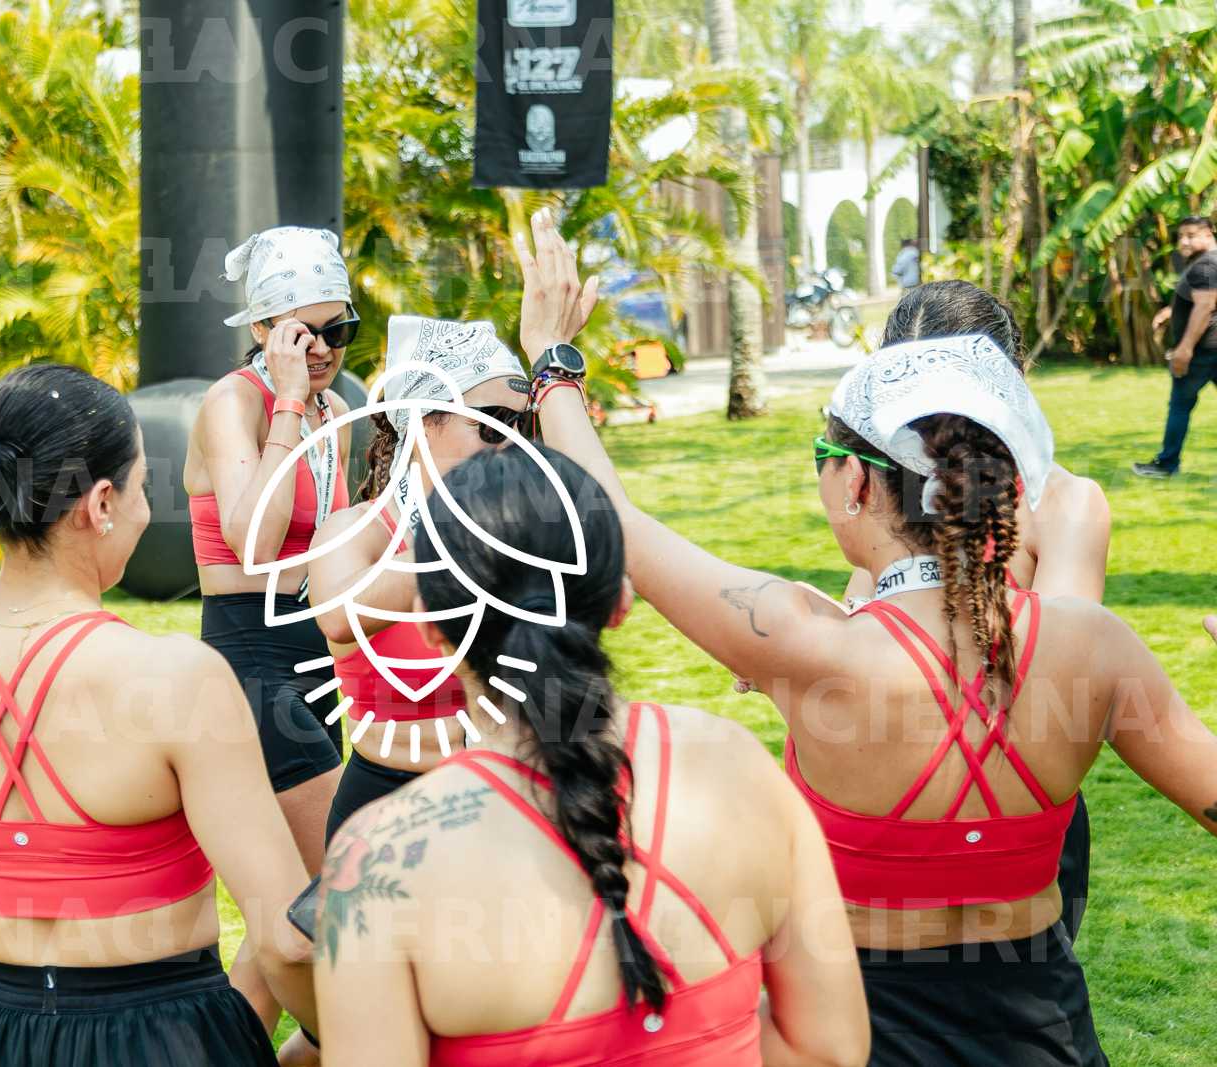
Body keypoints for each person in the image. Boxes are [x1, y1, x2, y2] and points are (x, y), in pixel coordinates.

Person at [525, 208, 1217, 1064]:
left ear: (854, 480)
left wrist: (553, 363)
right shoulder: (1091, 643)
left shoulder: (802, 640)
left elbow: (613, 520)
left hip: (862, 1029)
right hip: (1046, 1034)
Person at [314, 445, 871, 1067]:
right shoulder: (738, 768)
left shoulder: (379, 861)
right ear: (620, 601)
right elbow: (831, 1048)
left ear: (430, 625)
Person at [0, 363, 317, 1066]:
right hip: (162, 1036)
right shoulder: (177, 678)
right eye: (142, 488)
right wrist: (336, 1034)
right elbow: (286, 939)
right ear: (101, 502)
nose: (145, 511)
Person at [843, 278, 1110, 941]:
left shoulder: (1063, 502)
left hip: (1014, 793)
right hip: (893, 785)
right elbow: (865, 613)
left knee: (1021, 981)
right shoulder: (890, 490)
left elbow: (1058, 668)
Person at [183, 225, 356, 1044]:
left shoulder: (339, 411)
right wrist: (285, 404)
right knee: (336, 893)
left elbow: (336, 545)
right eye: (301, 332)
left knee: (291, 909)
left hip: (317, 656)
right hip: (251, 654)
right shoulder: (235, 402)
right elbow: (254, 537)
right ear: (261, 328)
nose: (321, 349)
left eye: (337, 328)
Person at [308, 314, 533, 846]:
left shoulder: (521, 526)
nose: (512, 443)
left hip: (501, 795)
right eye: (493, 423)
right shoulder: (357, 531)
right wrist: (452, 534)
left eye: (523, 424)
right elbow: (338, 617)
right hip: (387, 804)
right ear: (422, 422)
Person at [1134, 215, 1217, 478]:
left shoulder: (1205, 266)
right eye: (1181, 236)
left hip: (1203, 351)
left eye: (1191, 235)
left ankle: (1167, 464)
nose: (1184, 242)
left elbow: (1205, 306)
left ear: (1208, 234)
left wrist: (1185, 348)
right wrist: (1171, 312)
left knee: (1180, 404)